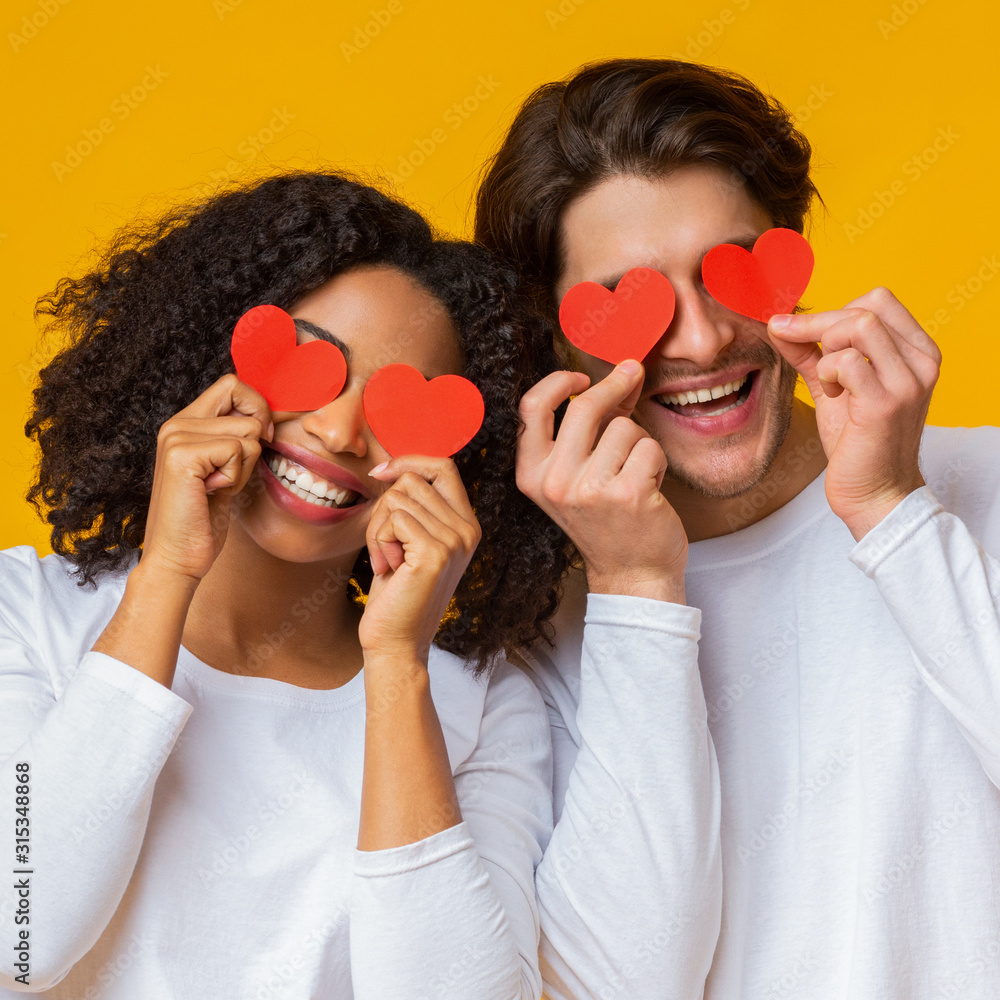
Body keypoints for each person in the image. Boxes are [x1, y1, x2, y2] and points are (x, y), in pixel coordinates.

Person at [474, 58, 1000, 1000]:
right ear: (551, 337)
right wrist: (636, 592)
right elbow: (625, 984)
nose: (703, 341)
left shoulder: (981, 483)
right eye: (631, 302)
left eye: (730, 273)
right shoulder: (526, 631)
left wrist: (893, 514)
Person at [0, 170, 571, 999]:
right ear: (207, 360)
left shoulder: (478, 705)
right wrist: (167, 570)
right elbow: (19, 938)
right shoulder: (25, 612)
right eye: (311, 367)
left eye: (393, 408)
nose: (339, 432)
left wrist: (397, 666)